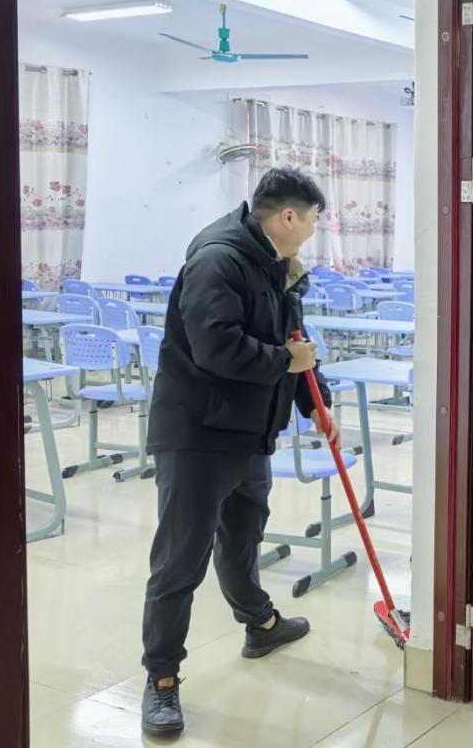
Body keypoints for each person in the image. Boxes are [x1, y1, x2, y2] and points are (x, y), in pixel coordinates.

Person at [140, 167, 336, 735]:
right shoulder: (218, 260)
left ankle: (260, 624)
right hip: (198, 436)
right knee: (181, 559)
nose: (314, 230)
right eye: (313, 220)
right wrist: (286, 363)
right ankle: (161, 679)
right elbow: (215, 348)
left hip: (249, 433)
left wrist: (315, 404)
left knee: (243, 536)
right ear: (288, 217)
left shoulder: (277, 265)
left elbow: (295, 344)